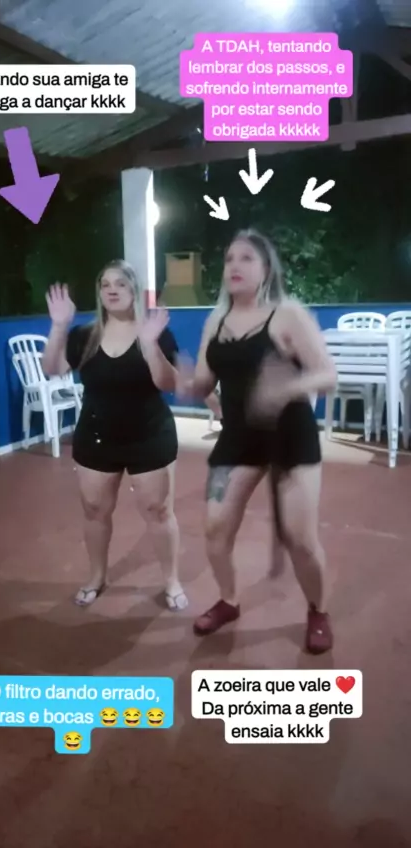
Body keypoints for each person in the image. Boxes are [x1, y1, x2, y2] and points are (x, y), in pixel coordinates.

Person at [177, 229, 337, 654]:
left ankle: (318, 610)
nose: (235, 265)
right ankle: (229, 601)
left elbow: (327, 374)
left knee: (300, 538)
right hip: (239, 438)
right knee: (215, 529)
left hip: (291, 436)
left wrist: (286, 389)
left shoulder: (287, 314)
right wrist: (190, 384)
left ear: (266, 269)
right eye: (230, 258)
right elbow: (205, 382)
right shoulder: (216, 321)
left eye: (246, 258)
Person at [42, 260, 188, 611]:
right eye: (105, 284)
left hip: (149, 434)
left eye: (120, 283)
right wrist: (59, 325)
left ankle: (171, 580)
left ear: (134, 290)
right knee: (94, 510)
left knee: (158, 510)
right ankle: (97, 576)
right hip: (97, 436)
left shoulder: (155, 332)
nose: (112, 290)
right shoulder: (84, 336)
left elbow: (167, 383)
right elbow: (52, 369)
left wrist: (149, 344)